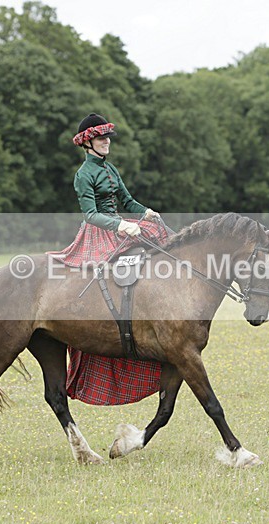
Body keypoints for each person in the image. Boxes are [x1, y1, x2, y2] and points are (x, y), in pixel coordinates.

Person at [48, 113, 169, 405]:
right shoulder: (83, 174)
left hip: (121, 224)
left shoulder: (111, 169)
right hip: (98, 233)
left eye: (107, 137)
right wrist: (120, 225)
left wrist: (145, 213)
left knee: (162, 242)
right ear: (88, 142)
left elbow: (127, 202)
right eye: (101, 138)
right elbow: (90, 214)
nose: (107, 142)